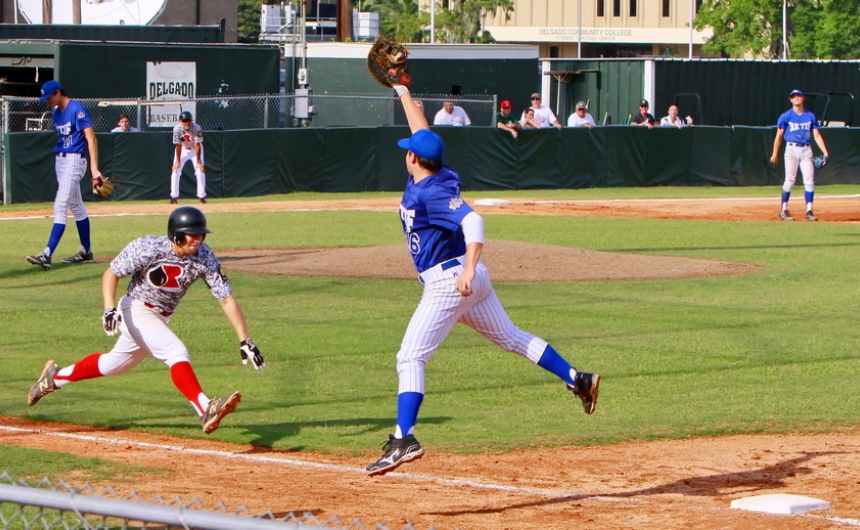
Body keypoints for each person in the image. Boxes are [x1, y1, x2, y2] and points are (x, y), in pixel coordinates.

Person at [365, 80, 601, 477]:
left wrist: (471, 269)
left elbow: (474, 220)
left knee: (410, 356)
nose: (406, 153)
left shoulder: (430, 195)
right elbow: (421, 133)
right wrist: (402, 91)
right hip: (469, 282)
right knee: (511, 337)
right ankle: (577, 378)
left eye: (408, 153)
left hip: (451, 282)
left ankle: (404, 439)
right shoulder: (434, 174)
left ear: (414, 162)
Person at [26, 206, 266, 434]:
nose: (198, 240)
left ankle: (53, 378)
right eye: (191, 235)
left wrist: (246, 340)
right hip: (135, 309)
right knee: (175, 351)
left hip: (160, 317)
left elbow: (226, 299)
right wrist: (109, 308)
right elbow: (111, 274)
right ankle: (205, 407)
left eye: (200, 235)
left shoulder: (205, 256)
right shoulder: (148, 247)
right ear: (176, 236)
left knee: (113, 365)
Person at [26, 80, 103, 271]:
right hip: (60, 161)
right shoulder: (56, 113)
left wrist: (94, 169)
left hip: (75, 160)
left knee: (60, 205)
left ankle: (46, 254)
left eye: (49, 97)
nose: (48, 101)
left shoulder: (77, 109)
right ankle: (86, 250)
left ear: (58, 92)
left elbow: (91, 138)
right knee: (76, 206)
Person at [770, 89, 830, 221]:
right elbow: (779, 136)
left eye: (799, 96)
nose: (796, 98)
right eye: (794, 97)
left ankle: (809, 211)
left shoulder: (810, 116)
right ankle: (783, 210)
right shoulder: (786, 116)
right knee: (790, 179)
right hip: (791, 149)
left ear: (803, 98)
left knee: (809, 180)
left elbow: (817, 135)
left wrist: (825, 152)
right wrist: (775, 153)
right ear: (790, 100)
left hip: (806, 150)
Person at [170, 111, 207, 205]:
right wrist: (177, 161)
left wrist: (198, 161)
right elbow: (178, 145)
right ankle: (174, 197)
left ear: (191, 120)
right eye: (184, 121)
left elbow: (198, 144)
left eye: (188, 120)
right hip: (182, 148)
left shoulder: (197, 128)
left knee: (200, 171)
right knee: (175, 171)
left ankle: (201, 197)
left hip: (195, 149)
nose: (187, 122)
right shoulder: (177, 129)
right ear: (180, 121)